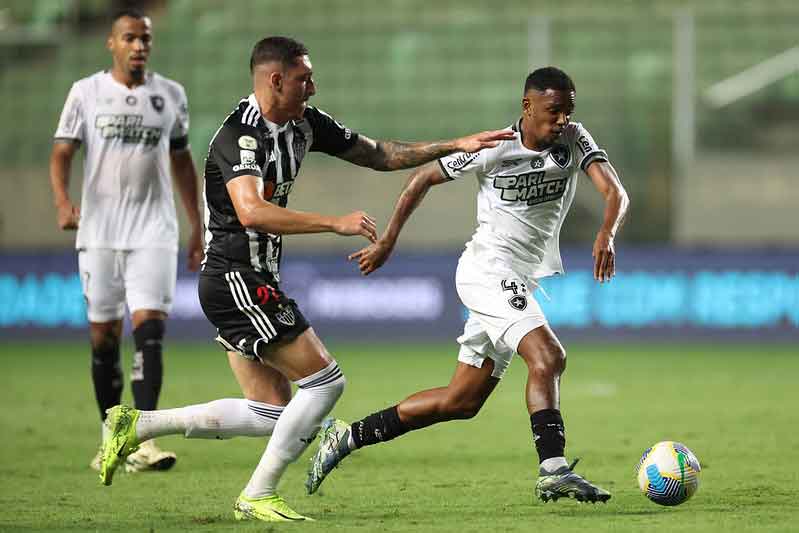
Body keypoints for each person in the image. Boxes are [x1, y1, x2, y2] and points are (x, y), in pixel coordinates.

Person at [98, 35, 514, 522]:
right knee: (325, 383)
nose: (313, 87)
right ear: (276, 80)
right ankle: (258, 492)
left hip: (251, 277)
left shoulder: (303, 124)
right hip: (235, 275)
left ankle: (138, 425)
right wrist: (332, 222)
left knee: (273, 410)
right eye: (304, 78)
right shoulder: (239, 136)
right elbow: (251, 212)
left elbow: (378, 153)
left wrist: (455, 144)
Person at [307, 66, 630, 504]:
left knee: (460, 401)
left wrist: (606, 232)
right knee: (548, 356)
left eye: (568, 112)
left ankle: (346, 438)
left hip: (520, 278)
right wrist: (388, 242)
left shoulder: (574, 139)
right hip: (486, 270)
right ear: (527, 106)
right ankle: (553, 469)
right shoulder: (494, 147)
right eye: (554, 111)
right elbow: (421, 178)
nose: (562, 121)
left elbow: (615, 193)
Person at [50, 9, 203, 474]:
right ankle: (110, 438)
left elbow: (181, 160)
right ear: (111, 44)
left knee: (150, 331)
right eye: (130, 38)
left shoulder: (170, 95)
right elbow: (61, 152)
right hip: (99, 232)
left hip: (154, 231)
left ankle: (144, 440)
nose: (139, 46)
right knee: (104, 338)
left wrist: (196, 223)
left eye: (146, 39)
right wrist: (62, 202)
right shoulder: (86, 92)